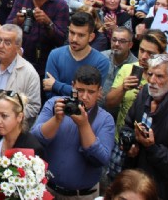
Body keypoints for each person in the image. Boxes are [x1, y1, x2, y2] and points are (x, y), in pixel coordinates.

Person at [33, 65, 116, 199]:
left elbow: (101, 159)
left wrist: (84, 125)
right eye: (80, 90)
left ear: (100, 91)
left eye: (91, 92)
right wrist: (56, 119)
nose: (84, 96)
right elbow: (36, 138)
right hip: (48, 189)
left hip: (82, 195)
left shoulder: (105, 119)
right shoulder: (54, 104)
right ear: (72, 86)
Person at [122, 54, 168, 200]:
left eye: (160, 76)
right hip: (134, 179)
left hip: (159, 190)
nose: (152, 81)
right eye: (150, 74)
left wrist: (152, 148)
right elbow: (128, 124)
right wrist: (129, 143)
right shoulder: (144, 94)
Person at [7, 0, 70, 79]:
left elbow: (61, 40)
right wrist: (18, 21)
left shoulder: (60, 5)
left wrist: (48, 23)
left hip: (45, 67)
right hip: (19, 62)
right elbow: (7, 27)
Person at [43, 11, 110, 100]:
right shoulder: (55, 55)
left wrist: (56, 85)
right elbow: (49, 93)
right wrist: (78, 92)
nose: (74, 39)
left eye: (81, 35)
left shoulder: (101, 62)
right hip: (56, 109)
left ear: (91, 37)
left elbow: (91, 97)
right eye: (72, 33)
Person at [0, 24, 42, 121]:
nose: (0, 46)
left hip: (9, 128)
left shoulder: (29, 73)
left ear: (18, 46)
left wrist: (10, 116)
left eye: (7, 43)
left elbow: (33, 107)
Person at [100, 27, 137, 107]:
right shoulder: (101, 57)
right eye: (114, 40)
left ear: (130, 45)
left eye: (122, 41)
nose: (116, 44)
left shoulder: (135, 66)